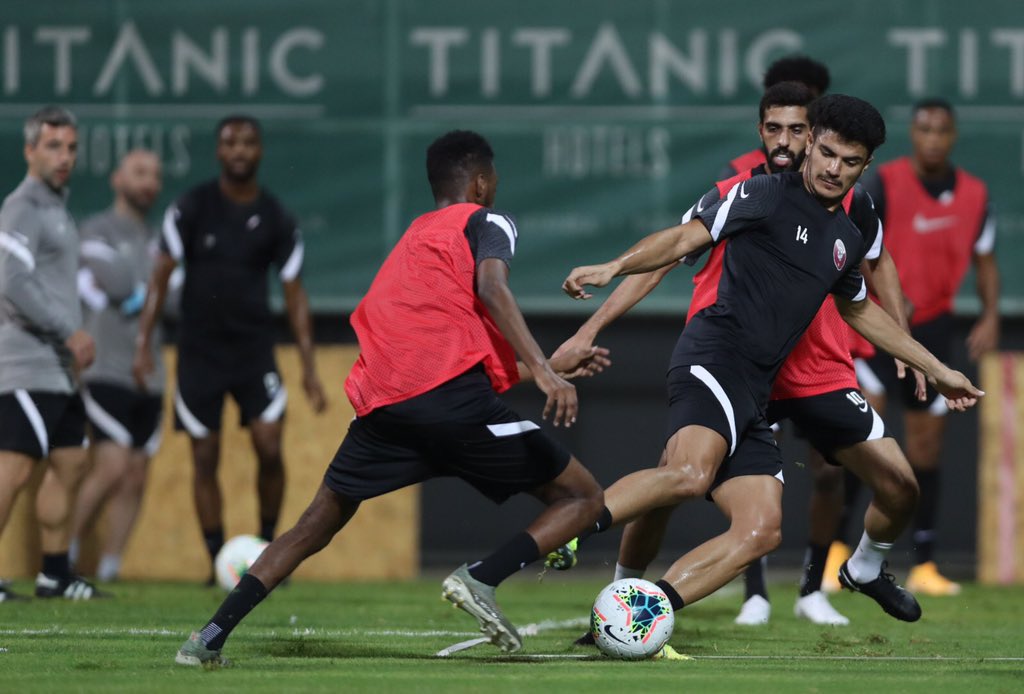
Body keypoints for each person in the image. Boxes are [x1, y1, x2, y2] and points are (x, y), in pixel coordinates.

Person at [174, 130, 609, 666]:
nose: (496, 186)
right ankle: (481, 578)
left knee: (315, 524)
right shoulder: (488, 220)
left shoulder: (413, 241)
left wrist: (544, 366)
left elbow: (445, 362)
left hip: (390, 408)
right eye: (493, 178)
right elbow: (493, 289)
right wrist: (545, 371)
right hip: (449, 405)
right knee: (583, 498)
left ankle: (209, 636)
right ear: (479, 181)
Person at [557, 95, 983, 629]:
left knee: (891, 484)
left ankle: (849, 574)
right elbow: (672, 251)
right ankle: (642, 590)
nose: (788, 142)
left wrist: (917, 353)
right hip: (732, 357)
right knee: (680, 476)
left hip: (816, 368)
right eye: (775, 129)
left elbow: (876, 269)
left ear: (817, 136)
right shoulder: (747, 186)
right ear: (763, 129)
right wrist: (593, 319)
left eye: (798, 130)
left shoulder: (854, 207)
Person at [133, 115, 328, 582]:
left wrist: (308, 366)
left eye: (247, 142)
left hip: (254, 350)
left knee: (269, 445)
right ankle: (217, 559)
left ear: (259, 151)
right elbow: (159, 278)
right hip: (199, 351)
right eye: (229, 142)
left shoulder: (277, 216)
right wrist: (143, 344)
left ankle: (263, 548)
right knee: (204, 457)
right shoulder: (191, 208)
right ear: (218, 152)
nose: (239, 150)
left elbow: (294, 294)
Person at [829, 98, 1000, 596]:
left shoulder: (975, 194)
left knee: (926, 446)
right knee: (863, 438)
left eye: (941, 130)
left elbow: (985, 260)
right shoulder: (883, 183)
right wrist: (876, 304)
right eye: (923, 128)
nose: (932, 138)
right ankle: (840, 552)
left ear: (952, 136)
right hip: (877, 324)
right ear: (914, 133)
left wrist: (989, 314)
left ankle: (923, 562)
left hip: (935, 328)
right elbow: (862, 246)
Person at [0, 106, 102, 601]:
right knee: (14, 467)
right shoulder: (23, 207)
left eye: (71, 147)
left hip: (57, 369)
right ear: (29, 150)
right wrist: (69, 330)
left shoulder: (56, 209)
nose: (65, 157)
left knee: (70, 463)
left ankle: (55, 575)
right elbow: (11, 281)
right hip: (26, 363)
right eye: (53, 146)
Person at [69, 149, 176, 582]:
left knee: (135, 473)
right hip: (107, 367)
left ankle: (111, 567)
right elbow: (116, 283)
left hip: (150, 375)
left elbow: (176, 297)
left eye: (154, 174)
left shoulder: (161, 240)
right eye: (139, 172)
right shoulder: (94, 230)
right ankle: (62, 555)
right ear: (117, 179)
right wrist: (153, 290)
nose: (148, 181)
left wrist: (148, 292)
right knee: (110, 465)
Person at [718, 55, 831, 180]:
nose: (784, 141)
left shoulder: (836, 171)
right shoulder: (738, 172)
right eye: (782, 97)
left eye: (805, 100)